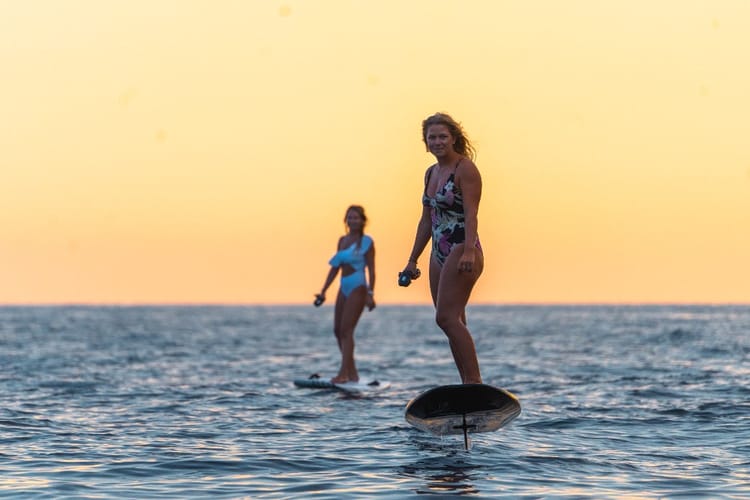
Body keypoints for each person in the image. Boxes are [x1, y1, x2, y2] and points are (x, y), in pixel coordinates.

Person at [401, 112, 484, 384]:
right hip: (439, 251)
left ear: (454, 139)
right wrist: (412, 259)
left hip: (462, 247)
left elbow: (471, 214)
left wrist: (470, 250)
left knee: (445, 318)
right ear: (425, 142)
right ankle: (467, 384)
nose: (437, 142)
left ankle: (475, 384)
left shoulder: (465, 169)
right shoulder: (431, 173)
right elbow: (426, 220)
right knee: (453, 321)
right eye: (432, 137)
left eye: (442, 137)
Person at [314, 205, 376, 383]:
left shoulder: (367, 242)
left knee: (347, 330)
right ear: (345, 220)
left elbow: (371, 270)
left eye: (356, 218)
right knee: (337, 330)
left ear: (363, 221)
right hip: (343, 285)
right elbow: (335, 268)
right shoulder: (342, 240)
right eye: (350, 217)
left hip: (358, 286)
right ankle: (353, 373)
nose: (352, 221)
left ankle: (343, 374)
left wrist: (370, 293)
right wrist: (323, 291)